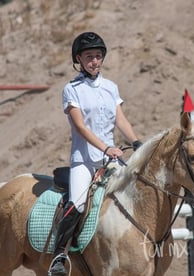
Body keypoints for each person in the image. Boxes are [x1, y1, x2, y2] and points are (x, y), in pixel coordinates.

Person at [49, 31, 142, 276]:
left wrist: (136, 141)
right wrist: (105, 148)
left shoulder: (111, 87)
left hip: (110, 159)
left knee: (133, 193)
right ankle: (59, 256)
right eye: (89, 56)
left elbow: (120, 119)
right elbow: (80, 126)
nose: (94, 61)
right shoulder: (72, 89)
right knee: (78, 203)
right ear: (78, 59)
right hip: (84, 160)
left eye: (98, 56)